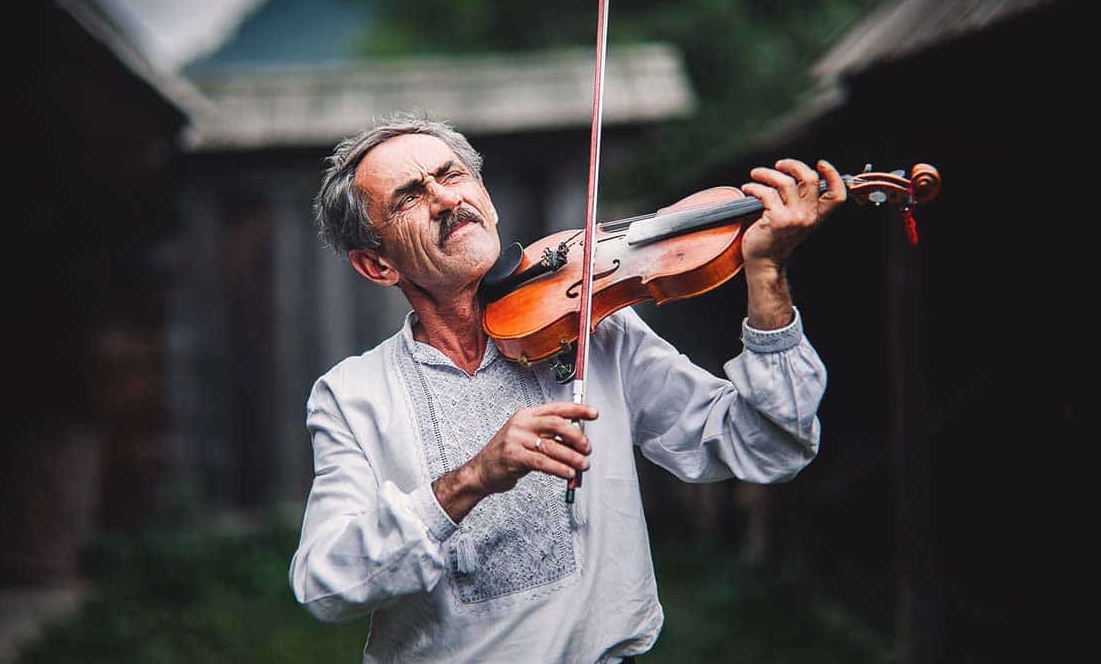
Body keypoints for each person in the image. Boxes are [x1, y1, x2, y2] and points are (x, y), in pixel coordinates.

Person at [289, 111, 845, 663]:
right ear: (377, 265)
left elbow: (768, 444)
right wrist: (472, 480)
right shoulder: (352, 395)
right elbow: (326, 584)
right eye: (410, 196)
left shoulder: (592, 326)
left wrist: (766, 274)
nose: (445, 199)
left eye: (453, 175)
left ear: (485, 195)